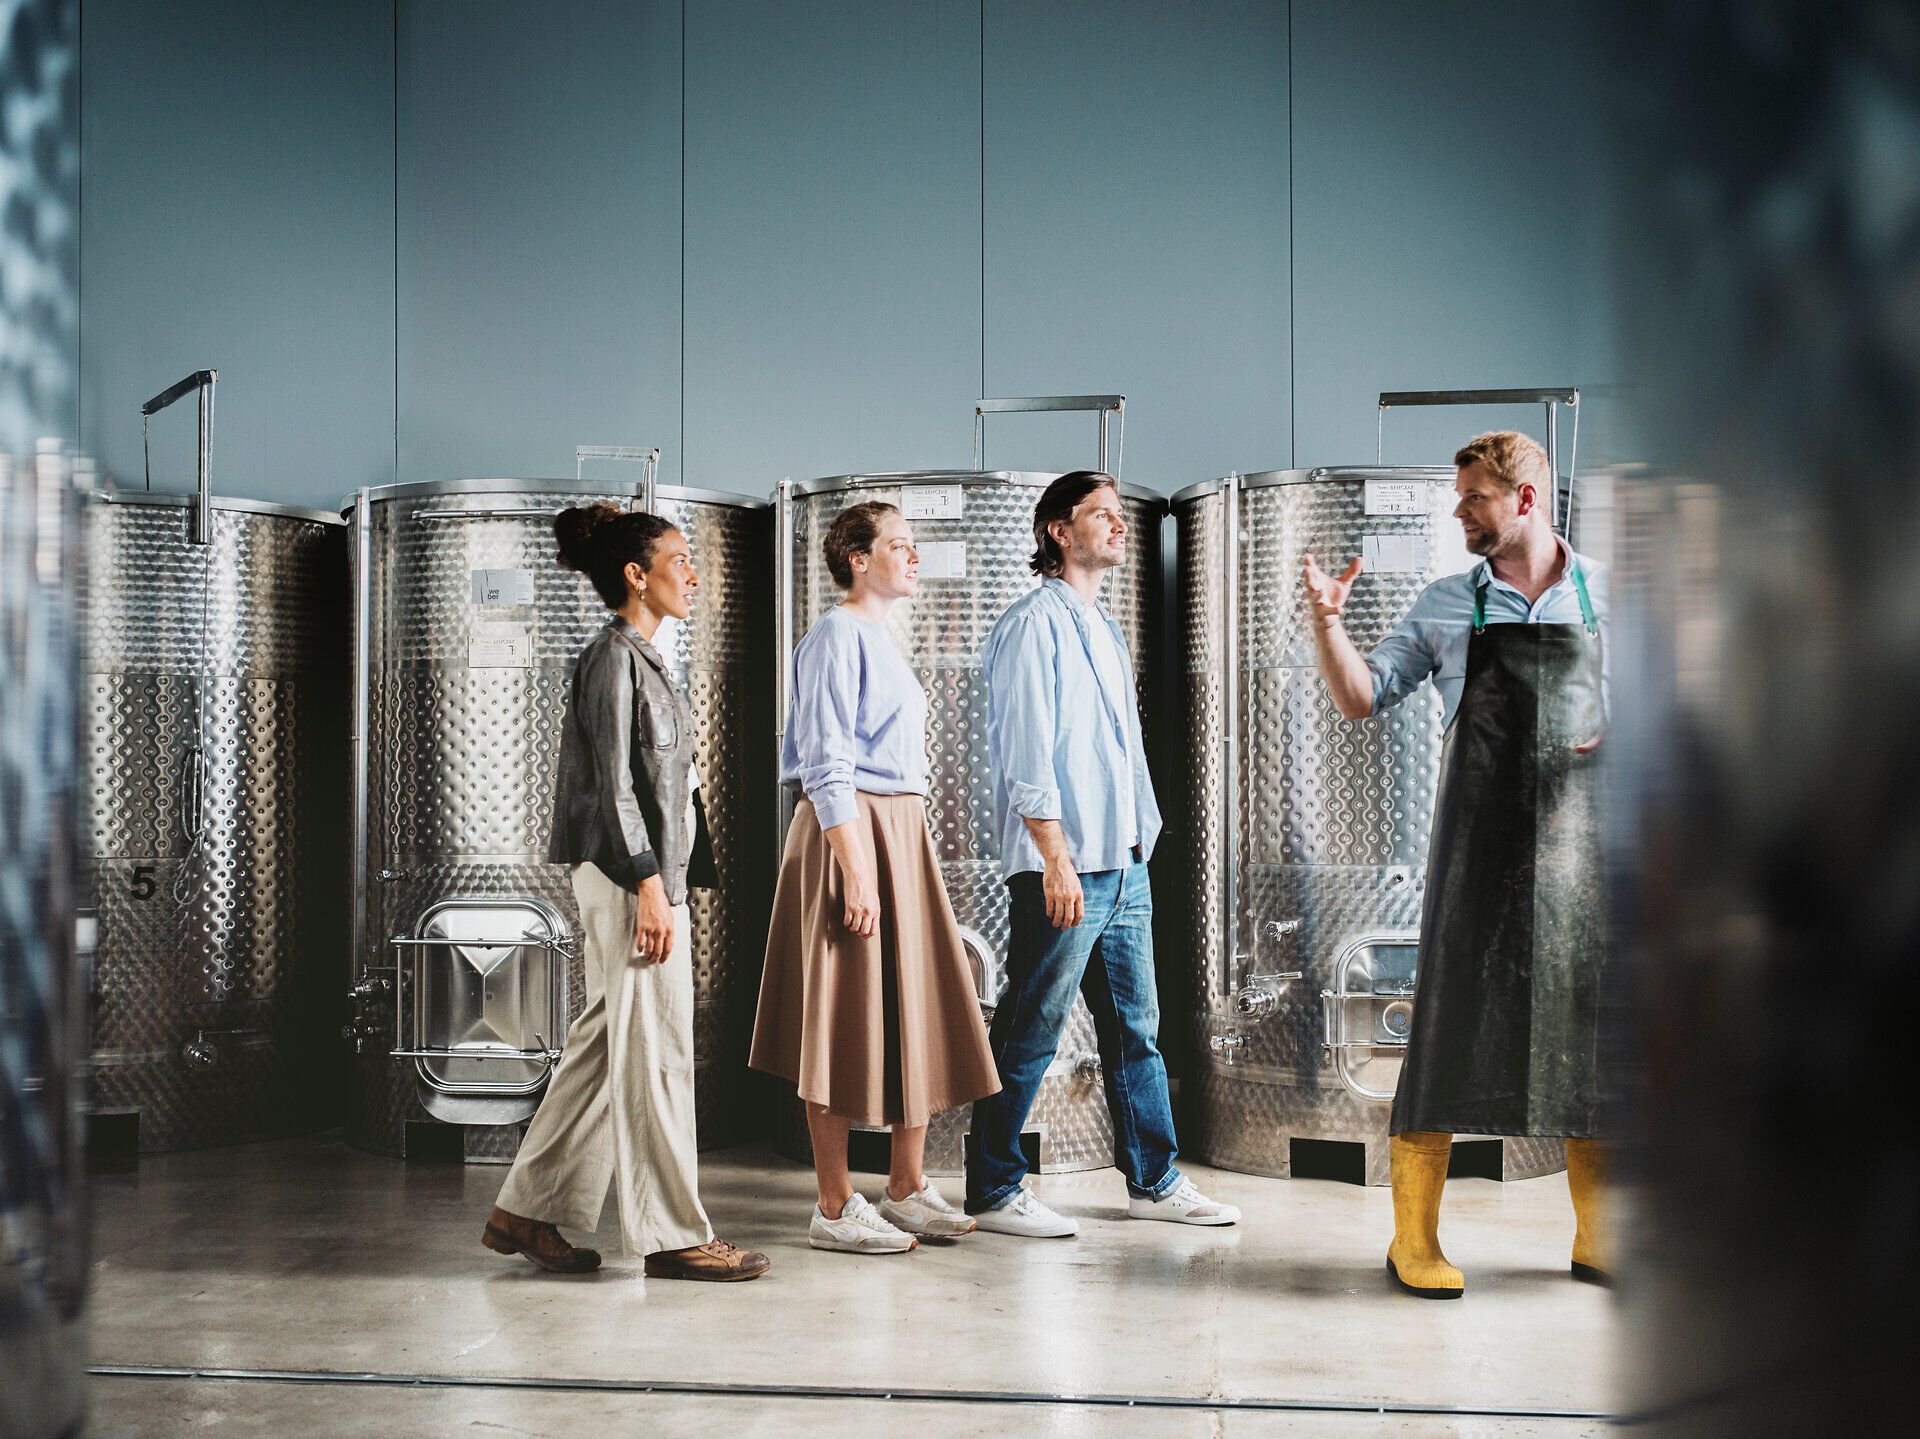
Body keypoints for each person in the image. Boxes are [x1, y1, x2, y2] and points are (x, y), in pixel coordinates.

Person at [1303, 431, 1610, 1300]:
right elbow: (1362, 697)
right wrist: (1329, 624)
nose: (1458, 510)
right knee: (1444, 1036)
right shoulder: (1447, 604)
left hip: (1579, 864)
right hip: (1477, 858)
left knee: (1591, 1043)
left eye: (1474, 496)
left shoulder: (1604, 598)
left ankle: (1600, 1235)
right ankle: (1413, 1241)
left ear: (1525, 499)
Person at [482, 504, 769, 1282]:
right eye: (680, 559)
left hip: (640, 875)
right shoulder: (611, 658)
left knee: (608, 1040)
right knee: (659, 1052)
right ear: (636, 575)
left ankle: (528, 1210)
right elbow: (612, 788)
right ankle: (675, 1234)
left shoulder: (645, 656)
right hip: (625, 876)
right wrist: (649, 882)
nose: (695, 573)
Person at [965, 471, 1240, 1236]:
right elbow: (1026, 754)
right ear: (1058, 530)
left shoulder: (1106, 626)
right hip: (1068, 862)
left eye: (1123, 516)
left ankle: (1153, 1179)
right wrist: (1053, 856)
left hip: (1123, 862)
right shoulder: (1032, 625)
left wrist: (1137, 846)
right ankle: (992, 1188)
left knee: (1136, 1029)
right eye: (1103, 516)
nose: (1120, 527)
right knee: (1031, 1025)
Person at [751, 500, 1000, 1254]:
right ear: (858, 558)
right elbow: (826, 759)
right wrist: (856, 869)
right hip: (851, 830)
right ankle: (833, 1204)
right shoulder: (835, 634)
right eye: (899, 544)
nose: (914, 556)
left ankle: (904, 1185)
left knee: (912, 1002)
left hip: (899, 827)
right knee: (840, 1011)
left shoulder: (882, 638)